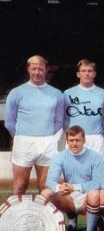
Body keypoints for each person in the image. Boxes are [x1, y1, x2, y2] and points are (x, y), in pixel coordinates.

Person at [4, 55, 65, 195]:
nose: (37, 72)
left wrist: (47, 136)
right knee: (20, 185)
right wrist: (21, 136)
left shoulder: (56, 94)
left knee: (45, 187)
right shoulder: (16, 93)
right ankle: (14, 217)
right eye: (34, 68)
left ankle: (43, 217)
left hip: (47, 144)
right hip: (23, 143)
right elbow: (9, 122)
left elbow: (59, 121)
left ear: (46, 70)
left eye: (40, 69)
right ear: (28, 69)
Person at [41, 126, 102, 231]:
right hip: (70, 198)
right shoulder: (60, 157)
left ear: (84, 140)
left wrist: (74, 187)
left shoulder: (94, 156)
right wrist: (59, 188)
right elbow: (50, 181)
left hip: (87, 196)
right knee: (46, 193)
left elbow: (99, 182)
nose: (74, 143)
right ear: (67, 141)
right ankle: (56, 230)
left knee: (95, 194)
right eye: (71, 140)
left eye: (77, 140)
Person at [63, 59, 104, 156]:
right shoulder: (67, 94)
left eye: (90, 71)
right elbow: (64, 119)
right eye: (83, 71)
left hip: (95, 139)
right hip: (74, 139)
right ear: (78, 74)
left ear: (94, 74)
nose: (87, 74)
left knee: (97, 170)